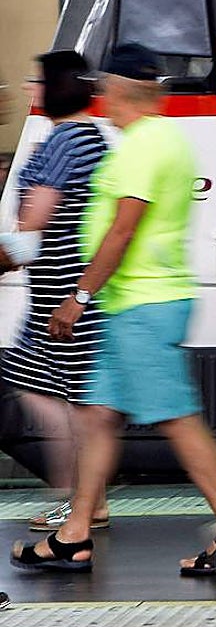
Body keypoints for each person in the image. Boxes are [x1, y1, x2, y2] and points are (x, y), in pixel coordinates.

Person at [9, 43, 216, 575]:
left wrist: (78, 296)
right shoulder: (160, 140)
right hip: (132, 304)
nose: (100, 100)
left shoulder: (143, 146)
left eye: (104, 90)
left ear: (119, 91)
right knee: (96, 418)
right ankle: (75, 533)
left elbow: (122, 230)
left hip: (142, 303)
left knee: (179, 420)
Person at [0, 51, 110, 532]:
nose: (30, 89)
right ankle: (86, 498)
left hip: (61, 295)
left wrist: (5, 257)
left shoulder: (61, 143)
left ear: (57, 87)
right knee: (59, 396)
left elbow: (29, 233)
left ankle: (80, 501)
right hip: (68, 290)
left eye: (37, 81)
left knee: (59, 400)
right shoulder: (93, 138)